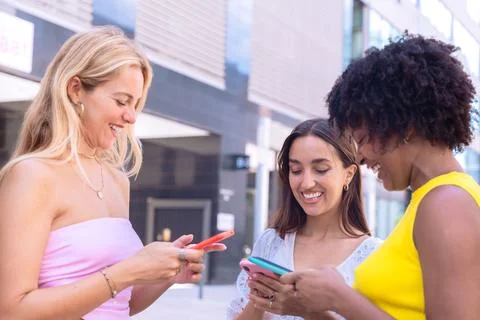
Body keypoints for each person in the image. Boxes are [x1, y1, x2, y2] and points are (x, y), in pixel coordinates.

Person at [0, 26, 225, 319]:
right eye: (121, 101)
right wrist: (126, 271)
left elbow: (118, 305)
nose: (131, 116)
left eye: (136, 104)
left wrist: (163, 275)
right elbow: (11, 310)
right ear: (75, 89)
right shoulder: (33, 175)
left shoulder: (117, 181)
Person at [257, 34, 480, 319]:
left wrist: (341, 298)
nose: (360, 156)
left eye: (362, 140)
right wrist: (316, 311)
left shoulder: (447, 204)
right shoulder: (433, 200)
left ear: (404, 127)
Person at [227, 118, 383, 320]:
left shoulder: (374, 255)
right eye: (296, 170)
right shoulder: (272, 242)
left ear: (349, 174)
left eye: (321, 169)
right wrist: (260, 297)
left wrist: (308, 311)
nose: (306, 183)